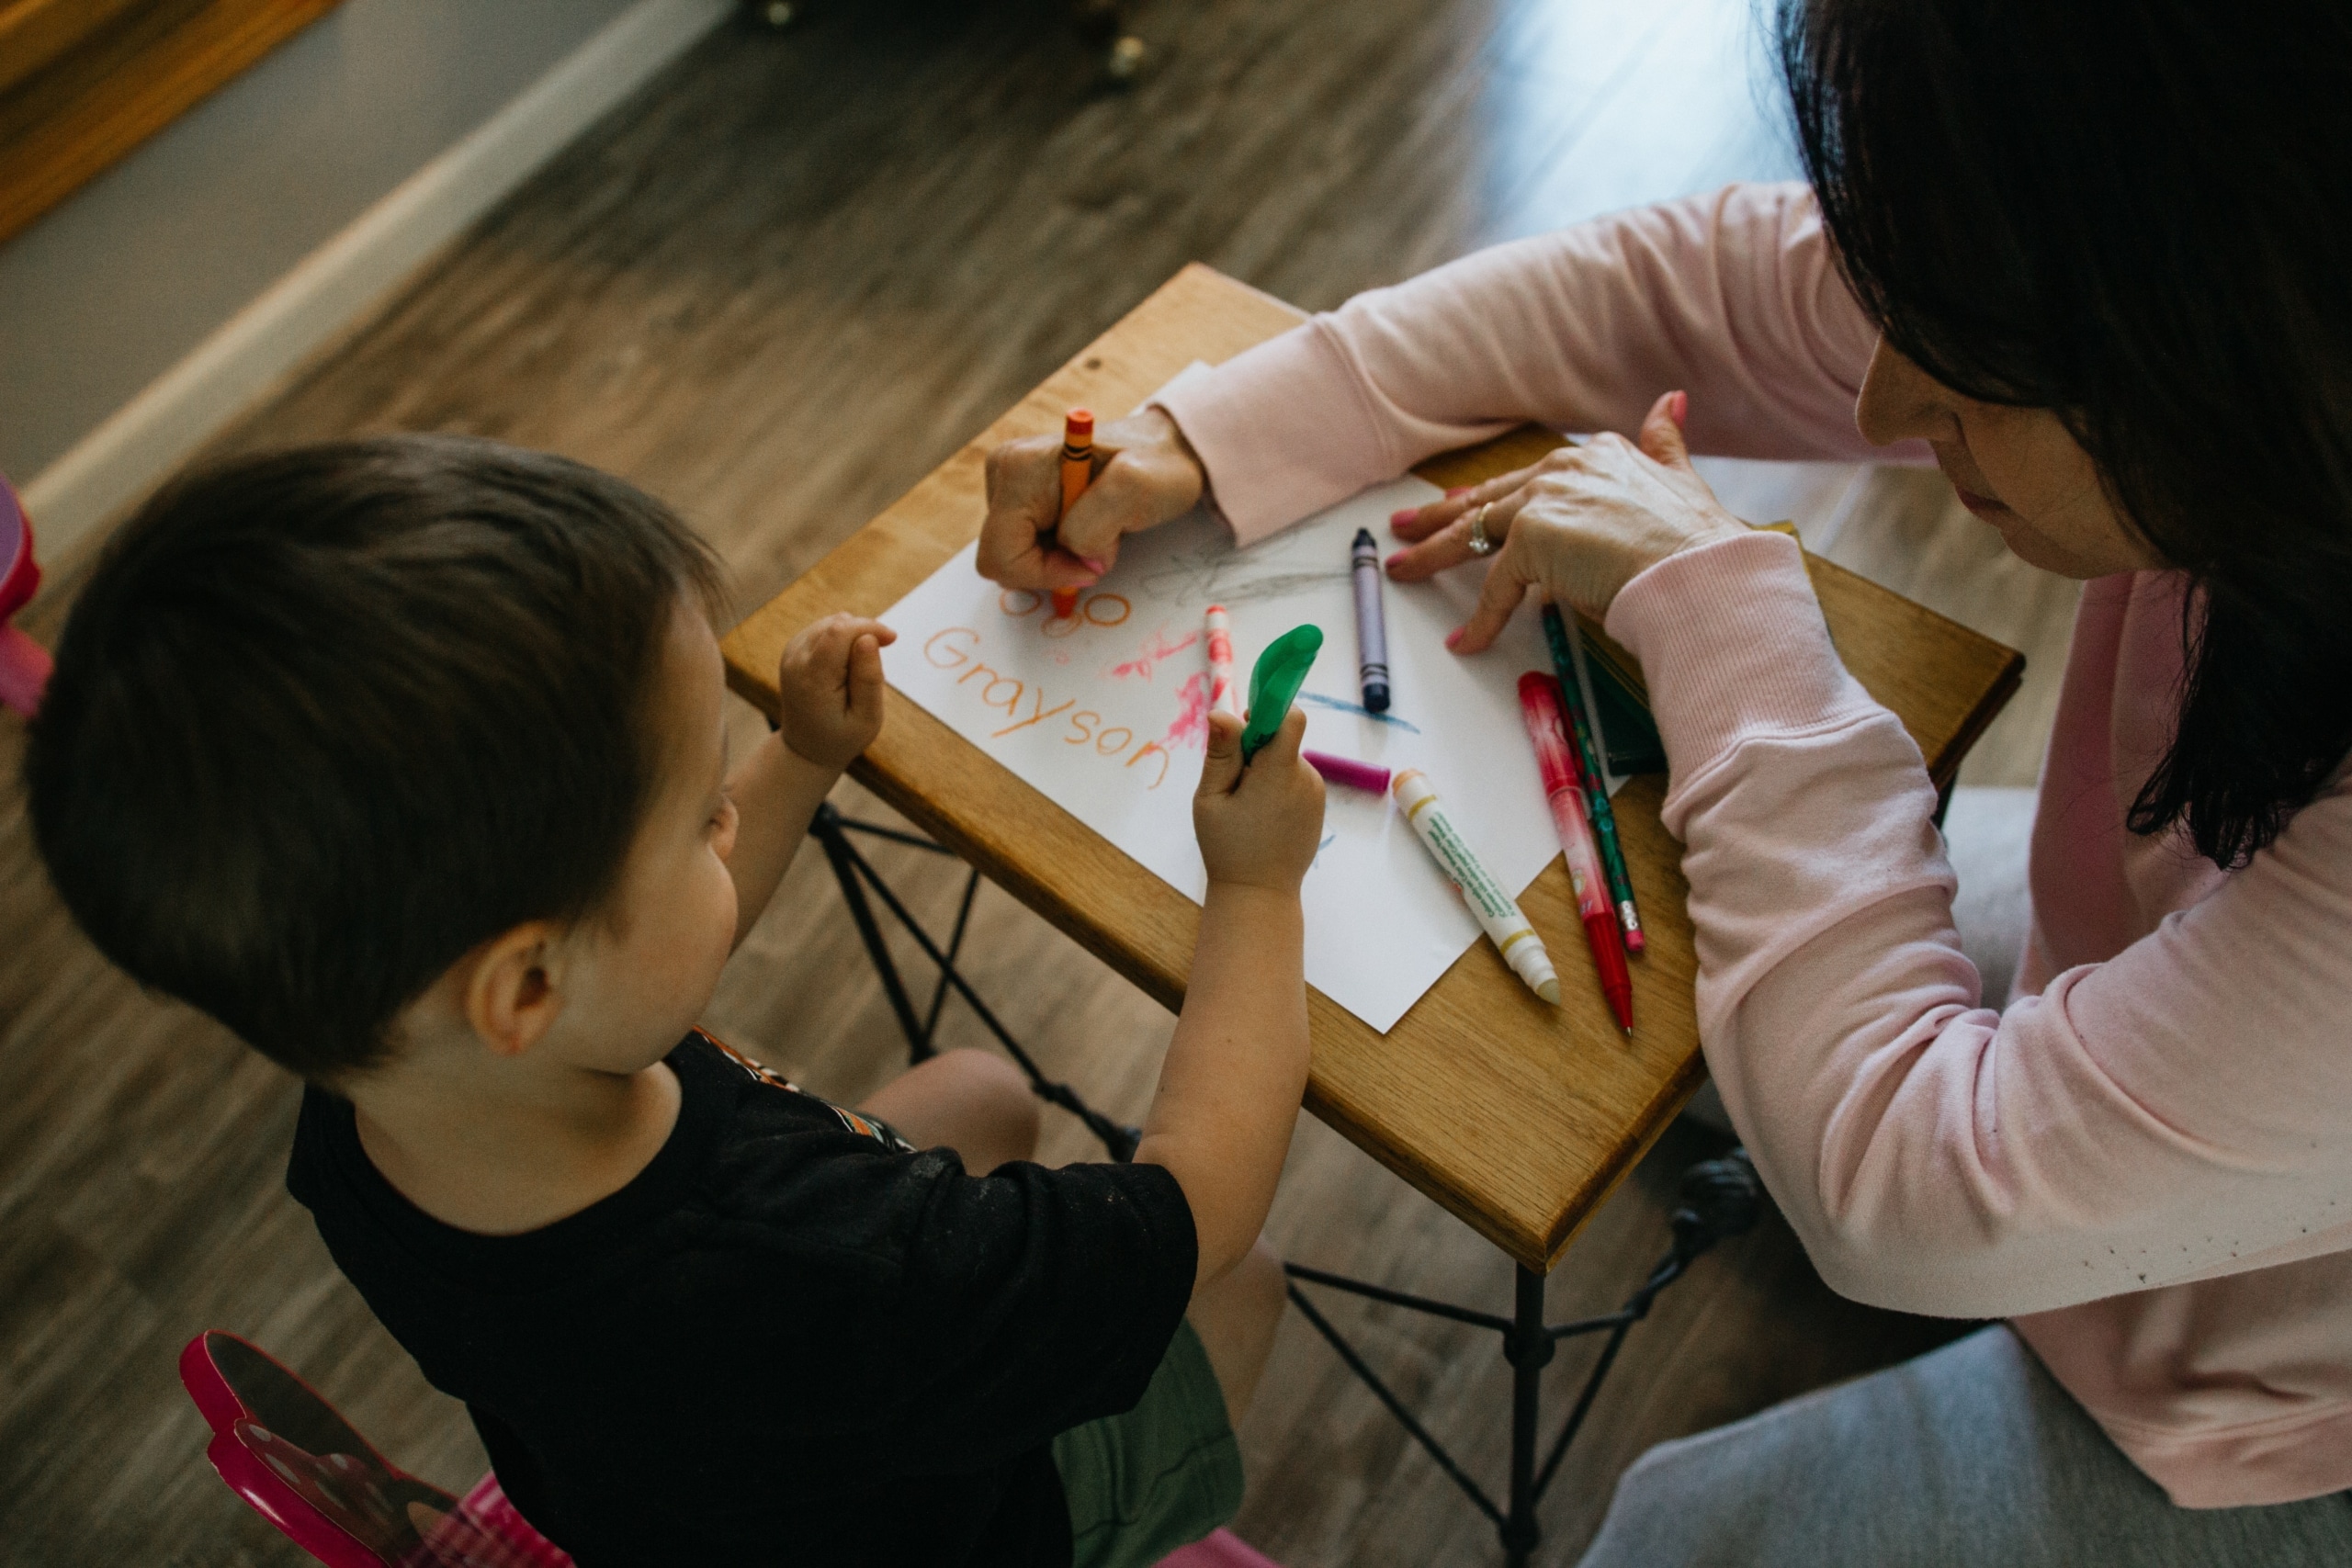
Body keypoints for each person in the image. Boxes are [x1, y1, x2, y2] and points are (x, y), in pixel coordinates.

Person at [975, 0, 2352, 1560]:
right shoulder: (2220, 292)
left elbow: (1906, 1187)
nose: (1887, 407)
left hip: (2280, 1400)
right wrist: (1207, 434)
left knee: (1674, 1526)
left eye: (1969, 374)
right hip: (2172, 1007)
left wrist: (1725, 606)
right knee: (1712, 988)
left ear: (2237, 344)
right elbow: (1685, 286)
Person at [24, 434, 1326, 1568]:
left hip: (670, 1503)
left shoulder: (375, 1086)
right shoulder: (827, 1268)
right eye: (705, 815)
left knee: (982, 1091)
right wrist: (1258, 887)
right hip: (948, 1530)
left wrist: (801, 757)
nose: (728, 823)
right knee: (1248, 1280)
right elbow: (1198, 1208)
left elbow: (633, 962)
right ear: (527, 983)